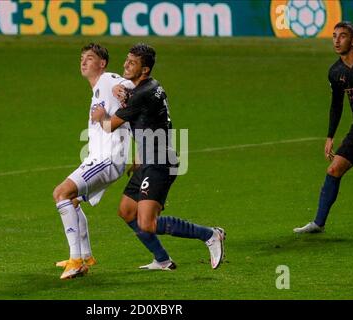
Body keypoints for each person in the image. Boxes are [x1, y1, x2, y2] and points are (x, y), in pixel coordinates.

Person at [91, 43, 226, 269]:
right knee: (126, 211)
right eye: (126, 60)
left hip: (160, 163)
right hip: (149, 158)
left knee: (147, 223)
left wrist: (100, 114)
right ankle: (162, 260)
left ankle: (210, 234)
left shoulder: (140, 95)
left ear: (144, 70)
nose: (125, 65)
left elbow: (109, 125)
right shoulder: (152, 86)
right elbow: (150, 123)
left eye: (132, 63)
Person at [53, 43, 132, 279]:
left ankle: (76, 260)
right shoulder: (98, 89)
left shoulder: (108, 80)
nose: (83, 62)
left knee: (61, 193)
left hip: (107, 159)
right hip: (99, 158)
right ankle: (85, 256)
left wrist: (128, 92)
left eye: (89, 58)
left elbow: (131, 86)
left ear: (102, 63)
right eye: (82, 58)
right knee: (72, 200)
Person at [294, 21, 353, 234]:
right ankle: (318, 223)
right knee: (334, 169)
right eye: (334, 36)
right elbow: (337, 105)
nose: (337, 40)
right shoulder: (336, 72)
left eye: (342, 36)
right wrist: (330, 136)